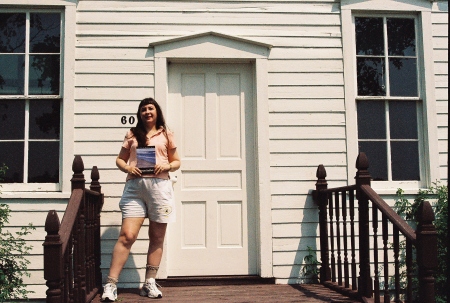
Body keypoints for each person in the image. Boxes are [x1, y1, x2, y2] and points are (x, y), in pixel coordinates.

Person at [101, 97, 180, 301]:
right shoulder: (132, 134)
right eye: (143, 109)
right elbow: (119, 159)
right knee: (127, 236)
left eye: (150, 108)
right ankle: (110, 285)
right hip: (135, 188)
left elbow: (177, 161)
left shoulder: (166, 134)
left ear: (156, 112)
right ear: (140, 113)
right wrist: (128, 167)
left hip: (160, 188)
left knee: (156, 237)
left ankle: (149, 283)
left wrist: (167, 166)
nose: (147, 112)